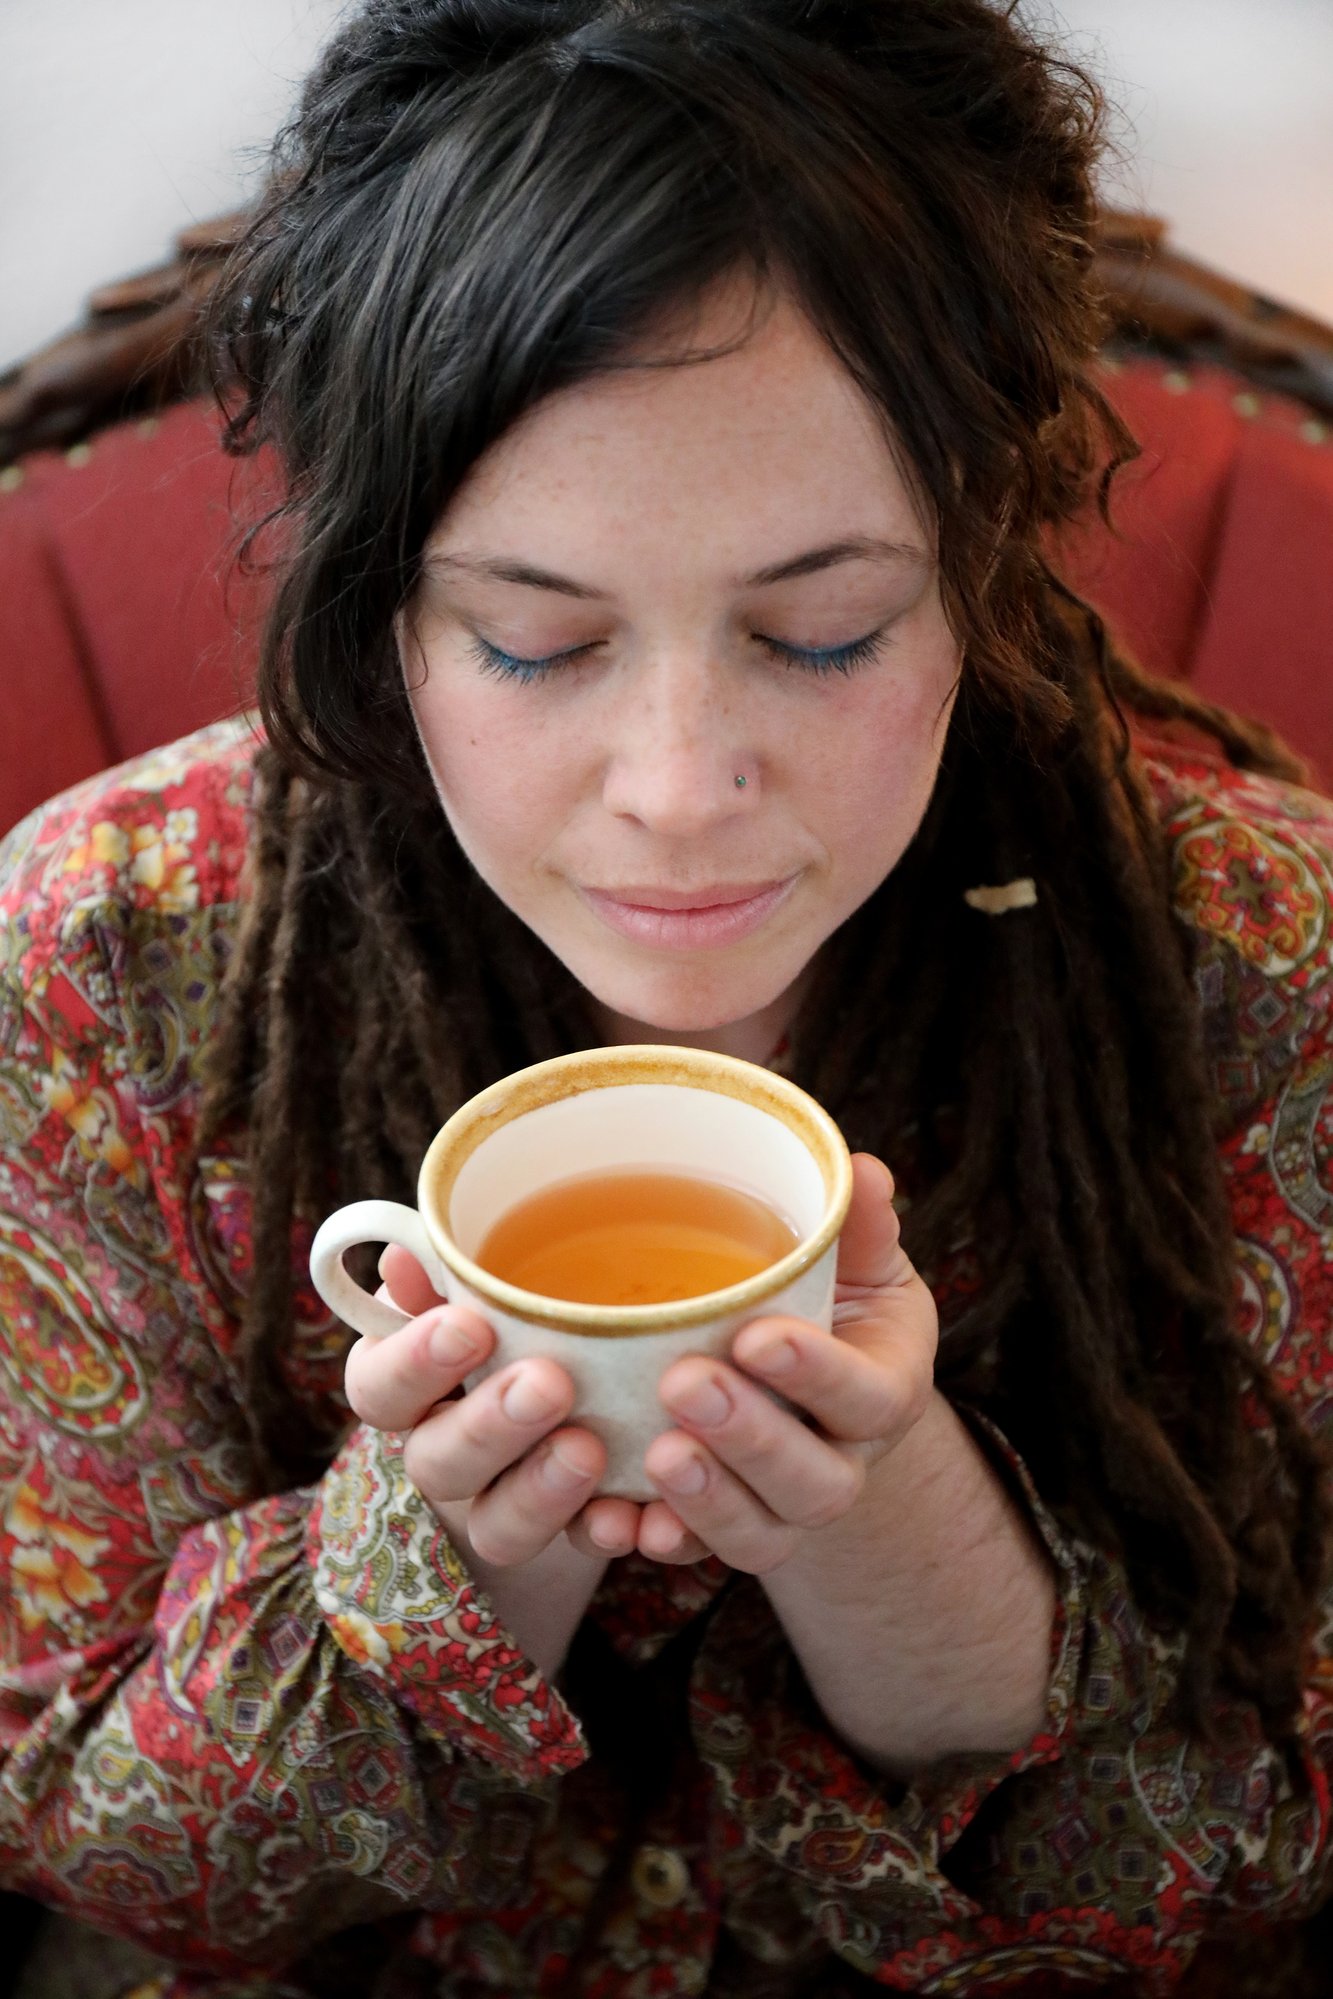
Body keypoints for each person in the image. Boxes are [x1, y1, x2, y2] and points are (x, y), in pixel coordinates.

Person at [1, 1, 1330, 1993]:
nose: (681, 782)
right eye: (538, 643)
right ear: (384, 610)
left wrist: (885, 1515)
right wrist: (449, 1544)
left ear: (975, 561)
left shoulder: (1254, 959)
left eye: (822, 628)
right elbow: (119, 1859)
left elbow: (1240, 1863)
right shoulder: (102, 957)